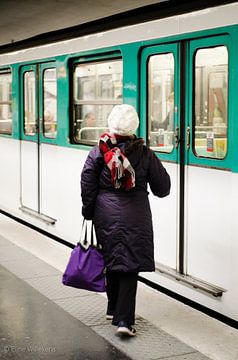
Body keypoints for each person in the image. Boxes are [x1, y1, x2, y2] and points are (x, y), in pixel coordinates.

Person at [80, 104, 171, 337]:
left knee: (112, 258)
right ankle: (124, 320)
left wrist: (88, 212)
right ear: (135, 128)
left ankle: (112, 308)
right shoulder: (145, 153)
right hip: (136, 215)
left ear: (110, 125)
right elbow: (163, 188)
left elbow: (87, 184)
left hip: (105, 213)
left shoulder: (98, 151)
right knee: (130, 265)